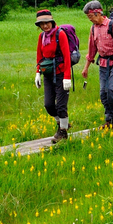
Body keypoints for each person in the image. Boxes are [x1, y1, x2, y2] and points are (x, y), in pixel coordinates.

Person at [80, 0, 113, 129]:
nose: (90, 19)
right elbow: (92, 50)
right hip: (103, 63)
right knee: (103, 93)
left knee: (112, 90)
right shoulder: (93, 28)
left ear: (98, 13)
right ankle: (110, 120)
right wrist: (86, 68)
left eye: (90, 16)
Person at [34, 9, 73, 143]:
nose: (45, 26)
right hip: (48, 74)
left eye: (47, 23)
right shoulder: (42, 37)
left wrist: (67, 77)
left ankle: (62, 132)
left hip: (61, 73)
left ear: (52, 22)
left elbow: (67, 57)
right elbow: (40, 56)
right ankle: (62, 123)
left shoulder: (60, 34)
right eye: (42, 24)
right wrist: (38, 73)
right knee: (49, 105)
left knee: (61, 106)